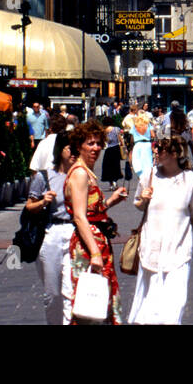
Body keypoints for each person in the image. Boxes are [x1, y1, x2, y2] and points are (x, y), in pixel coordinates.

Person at [128, 137, 193, 324]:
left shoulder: (191, 180)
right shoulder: (150, 175)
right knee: (149, 309)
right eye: (156, 148)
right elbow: (138, 204)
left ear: (174, 154)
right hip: (151, 250)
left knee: (173, 308)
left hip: (178, 249)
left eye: (161, 149)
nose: (156, 152)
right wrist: (143, 199)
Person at [62, 120, 128, 324]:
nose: (96, 148)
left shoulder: (86, 172)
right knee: (90, 305)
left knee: (98, 304)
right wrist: (96, 253)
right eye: (90, 143)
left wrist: (110, 202)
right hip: (88, 244)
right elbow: (80, 217)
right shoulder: (80, 174)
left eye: (99, 143)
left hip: (95, 240)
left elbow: (89, 212)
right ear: (79, 145)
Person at [26, 134, 73, 324]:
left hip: (74, 233)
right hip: (51, 233)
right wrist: (43, 202)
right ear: (60, 150)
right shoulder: (44, 176)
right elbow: (29, 206)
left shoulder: (80, 175)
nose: (75, 154)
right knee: (52, 294)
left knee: (71, 291)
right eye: (71, 149)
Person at [130, 105, 155, 185]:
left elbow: (131, 138)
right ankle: (147, 180)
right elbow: (153, 135)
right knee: (147, 163)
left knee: (137, 163)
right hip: (147, 144)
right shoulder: (148, 125)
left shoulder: (135, 126)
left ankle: (141, 179)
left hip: (137, 144)